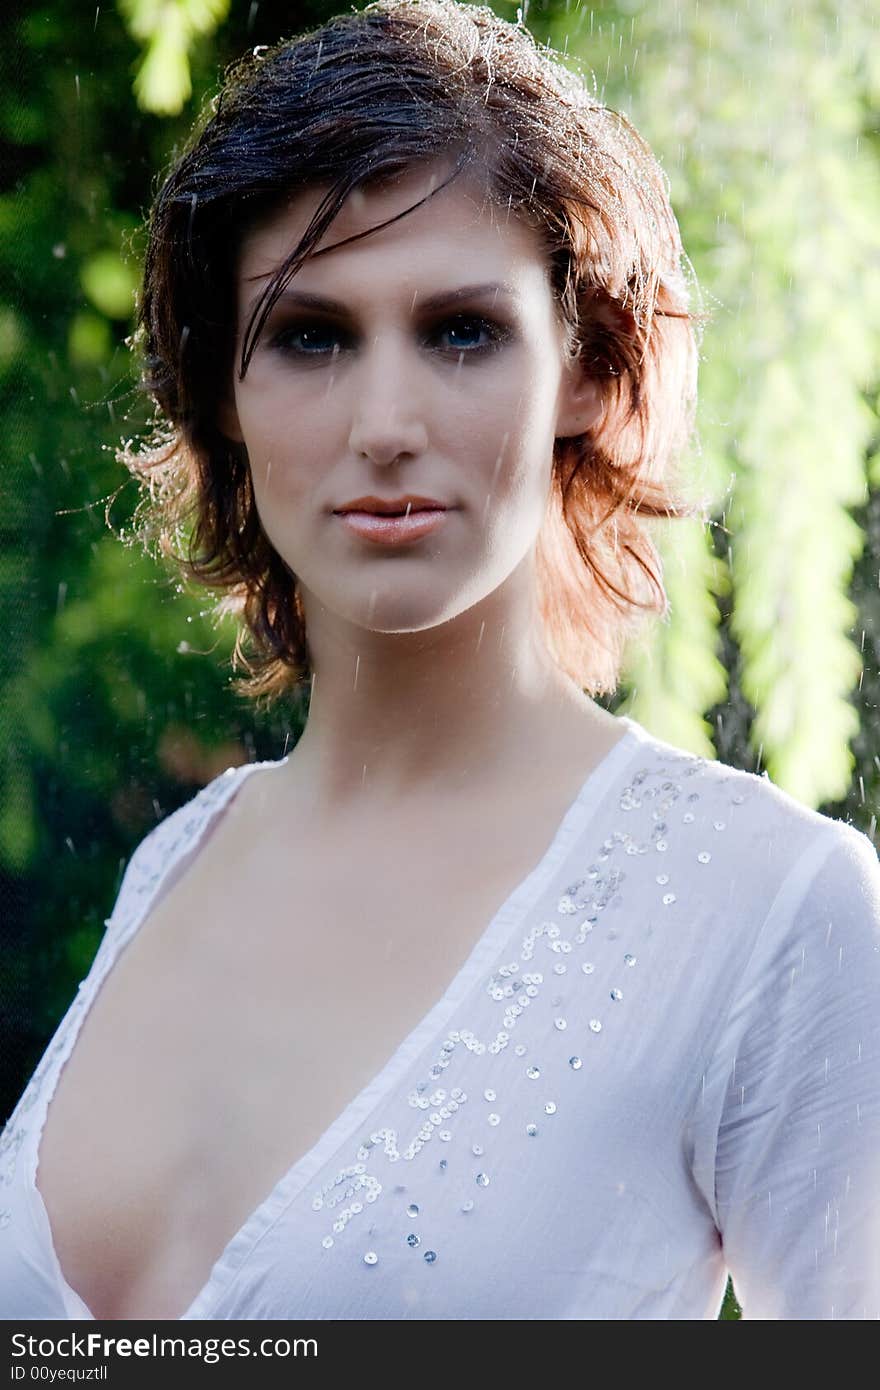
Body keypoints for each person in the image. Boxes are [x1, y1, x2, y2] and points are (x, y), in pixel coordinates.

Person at [1, 0, 878, 1322]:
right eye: (311, 335)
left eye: (461, 330)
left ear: (586, 364)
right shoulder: (175, 865)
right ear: (225, 395)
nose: (387, 424)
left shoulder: (771, 905)